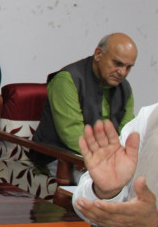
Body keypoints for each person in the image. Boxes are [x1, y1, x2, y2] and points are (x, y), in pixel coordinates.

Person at [31, 33, 138, 178]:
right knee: (102, 180)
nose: (123, 72)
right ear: (98, 54)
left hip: (103, 159)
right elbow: (72, 133)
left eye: (128, 67)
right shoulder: (68, 79)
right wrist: (103, 159)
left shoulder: (125, 88)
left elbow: (127, 131)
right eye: (117, 64)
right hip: (60, 156)